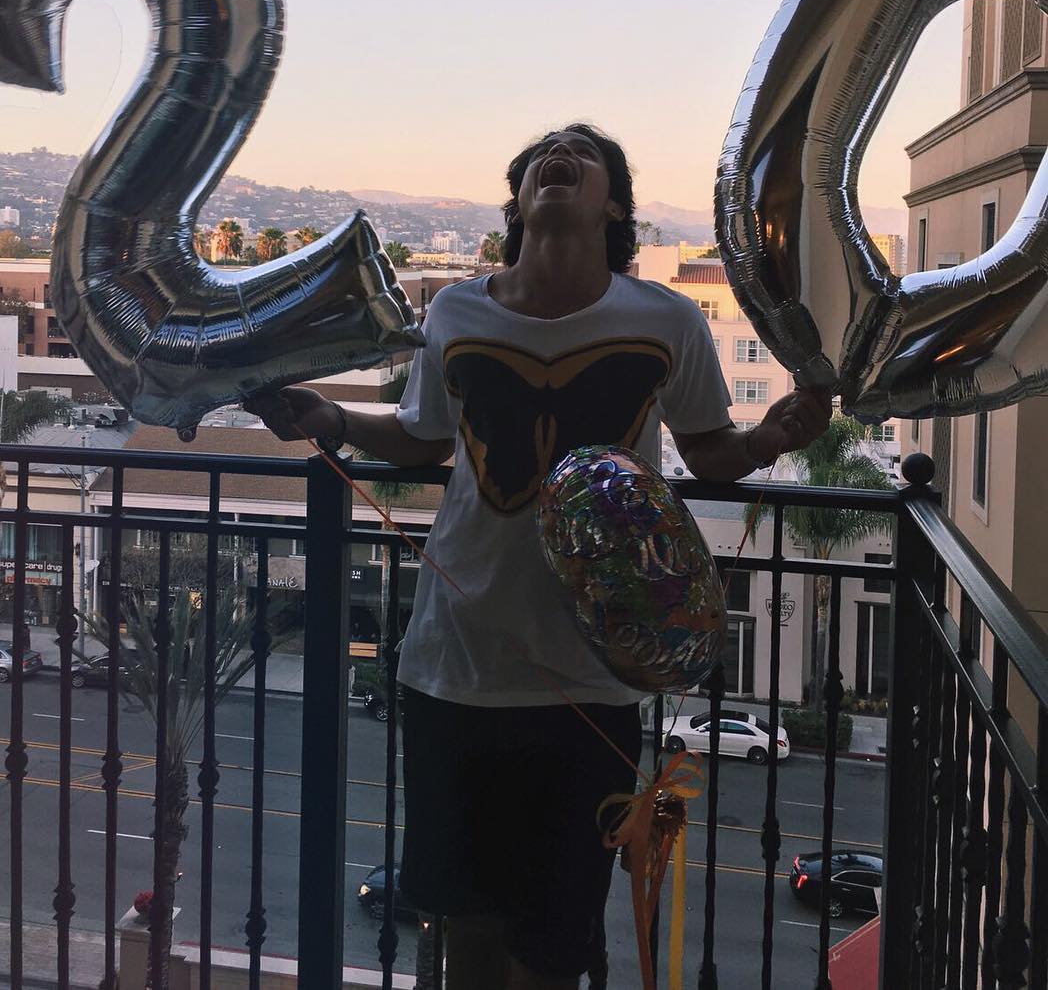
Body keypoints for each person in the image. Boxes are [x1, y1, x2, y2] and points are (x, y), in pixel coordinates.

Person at [249, 124, 829, 990]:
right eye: (542, 153)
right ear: (518, 202)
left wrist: (769, 438)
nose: (560, 150)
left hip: (591, 688)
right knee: (468, 945)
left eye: (582, 150)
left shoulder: (666, 319)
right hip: (455, 672)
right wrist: (329, 418)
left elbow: (709, 450)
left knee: (552, 952)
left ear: (615, 206)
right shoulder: (455, 311)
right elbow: (423, 438)